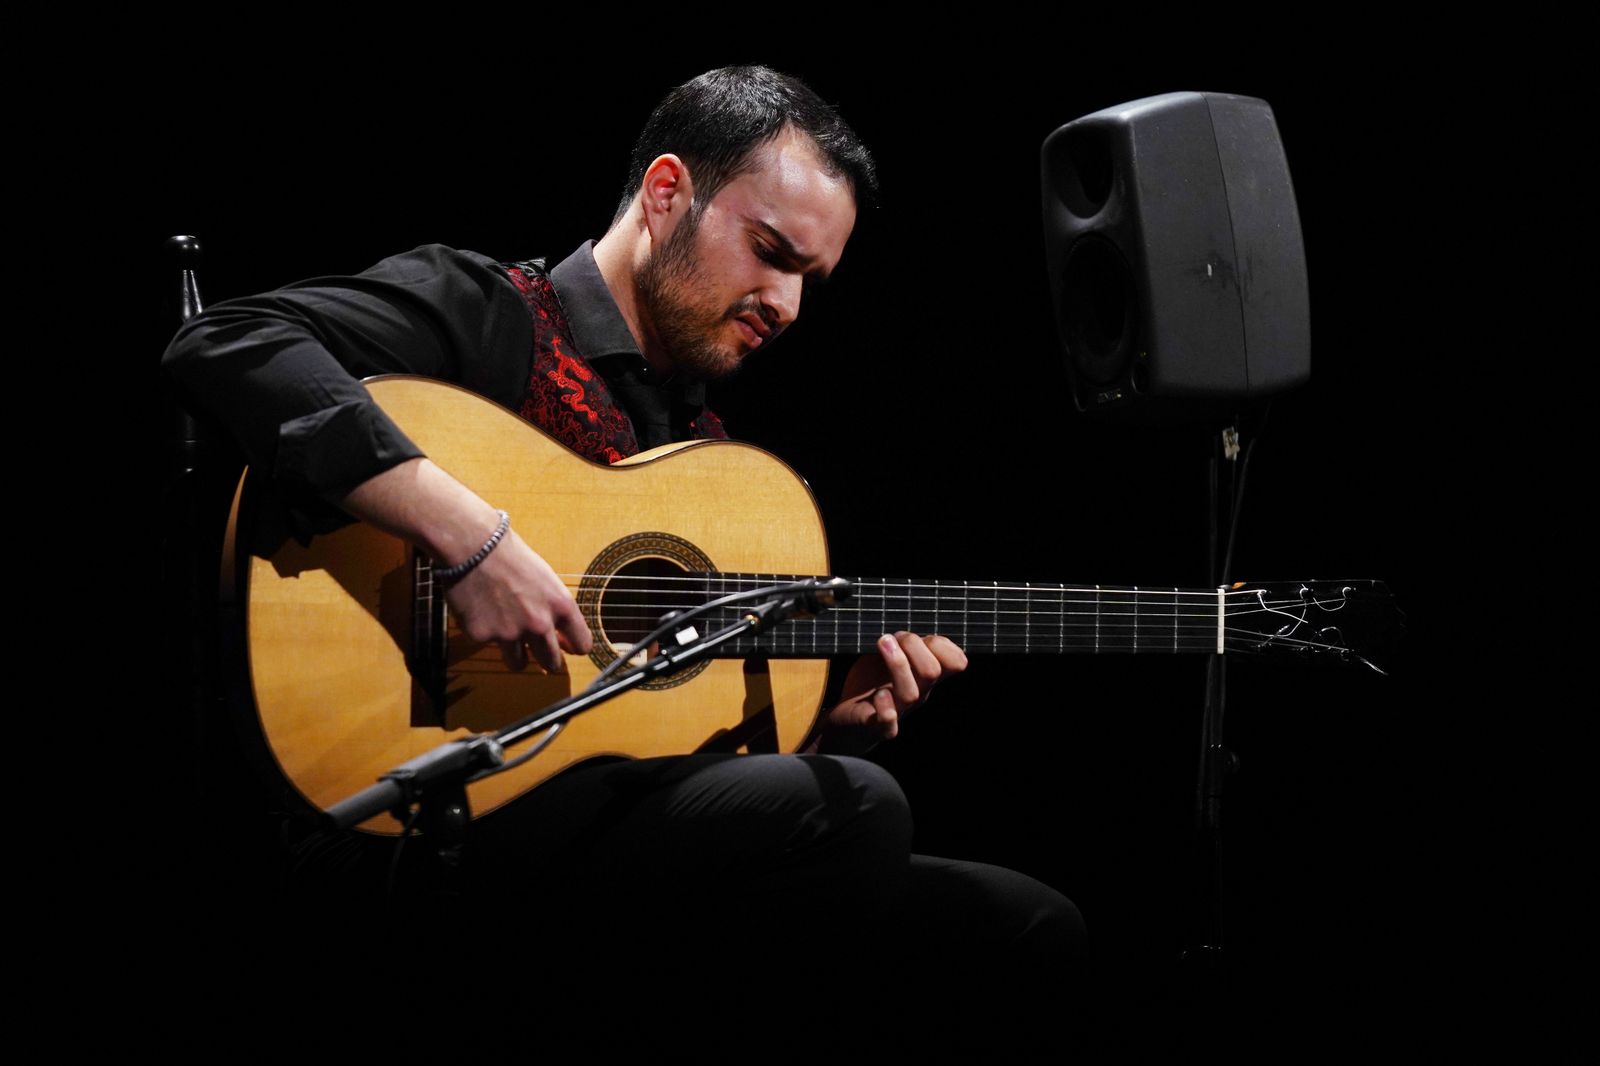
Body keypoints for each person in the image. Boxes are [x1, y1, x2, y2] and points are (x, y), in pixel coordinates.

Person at [164, 67, 1085, 992]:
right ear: (666, 192)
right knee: (856, 814)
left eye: (810, 280)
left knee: (1026, 920)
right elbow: (229, 342)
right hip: (401, 821)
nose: (787, 305)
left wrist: (831, 733)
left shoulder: (712, 467)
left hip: (589, 835)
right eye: (770, 251)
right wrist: (468, 536)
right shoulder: (492, 315)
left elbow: (672, 762)